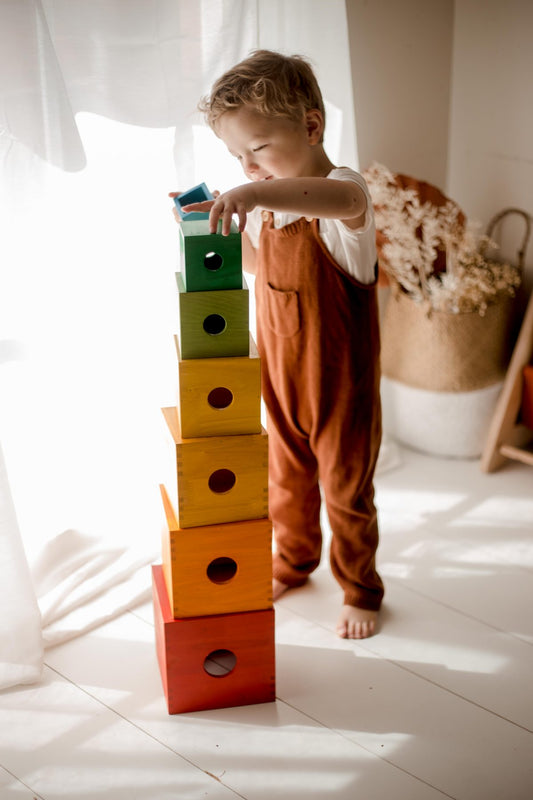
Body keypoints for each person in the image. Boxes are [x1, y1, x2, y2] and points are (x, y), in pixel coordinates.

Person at [173, 49, 384, 639]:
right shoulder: (270, 212)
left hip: (340, 388)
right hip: (281, 379)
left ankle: (361, 588)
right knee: (287, 484)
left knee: (346, 491)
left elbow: (339, 202)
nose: (248, 168)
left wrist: (255, 195)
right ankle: (294, 561)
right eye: (237, 158)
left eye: (259, 148)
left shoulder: (343, 194)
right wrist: (210, 222)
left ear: (311, 127)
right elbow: (260, 266)